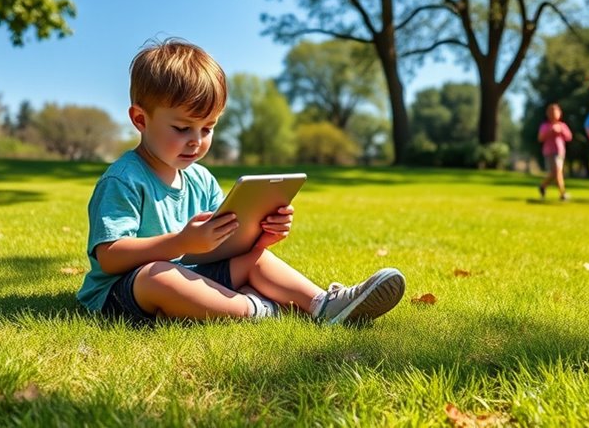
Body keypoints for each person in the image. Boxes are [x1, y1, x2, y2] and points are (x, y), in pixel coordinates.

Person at [77, 38, 406, 324]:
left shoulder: (201, 179)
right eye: (182, 128)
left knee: (255, 261)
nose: (196, 140)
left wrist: (261, 233)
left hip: (191, 276)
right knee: (157, 277)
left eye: (207, 128)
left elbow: (220, 248)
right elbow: (110, 255)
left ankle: (325, 305)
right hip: (123, 292)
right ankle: (256, 308)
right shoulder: (124, 179)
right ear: (140, 119)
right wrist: (180, 242)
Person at [537, 103, 573, 201]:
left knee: (556, 173)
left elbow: (569, 137)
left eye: (555, 112)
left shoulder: (562, 125)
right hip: (549, 152)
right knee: (557, 172)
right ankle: (562, 193)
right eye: (551, 112)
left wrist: (561, 131)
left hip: (560, 152)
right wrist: (550, 131)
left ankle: (543, 186)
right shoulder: (545, 126)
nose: (553, 114)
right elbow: (540, 138)